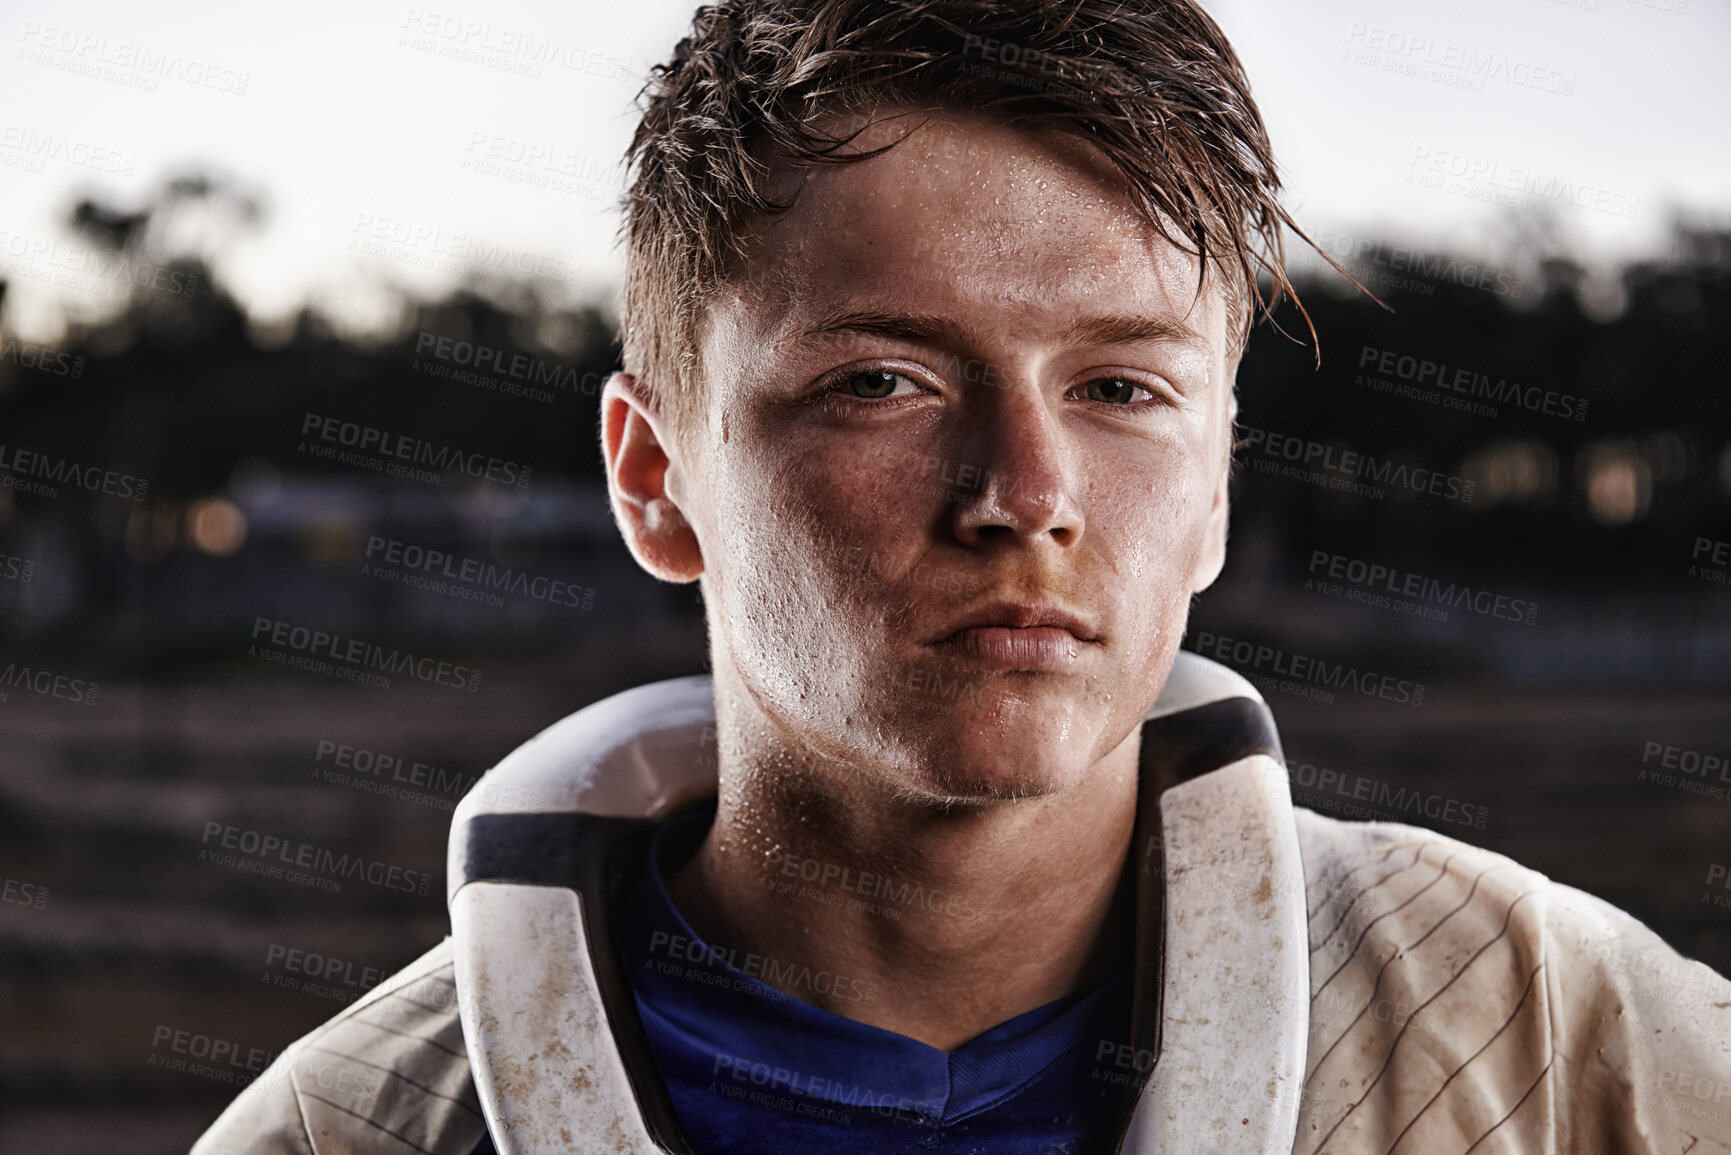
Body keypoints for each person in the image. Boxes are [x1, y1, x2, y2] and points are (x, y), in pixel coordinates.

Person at [193, 1, 1731, 1152]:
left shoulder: (1547, 1024)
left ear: (1215, 489)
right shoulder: (344, 1131)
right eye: (882, 382)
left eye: (1122, 389)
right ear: (656, 477)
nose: (1025, 497)